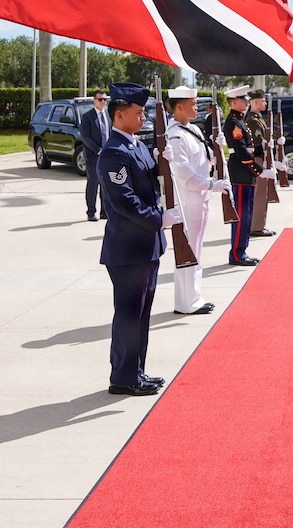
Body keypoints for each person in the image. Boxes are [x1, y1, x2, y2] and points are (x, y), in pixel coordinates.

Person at [97, 82, 182, 396]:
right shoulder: (113, 153)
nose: (144, 116)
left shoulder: (138, 146)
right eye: (138, 112)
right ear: (120, 115)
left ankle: (136, 371)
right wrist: (159, 220)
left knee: (141, 314)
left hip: (147, 246)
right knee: (129, 315)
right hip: (129, 249)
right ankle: (123, 377)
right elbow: (124, 202)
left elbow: (150, 185)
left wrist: (164, 160)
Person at [166, 86, 233, 315]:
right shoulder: (175, 135)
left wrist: (217, 147)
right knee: (189, 251)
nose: (196, 107)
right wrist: (212, 185)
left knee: (196, 250)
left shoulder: (191, 129)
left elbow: (205, 161)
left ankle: (193, 297)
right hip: (189, 201)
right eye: (192, 104)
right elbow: (185, 176)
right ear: (179, 107)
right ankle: (187, 302)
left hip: (200, 198)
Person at [224, 86, 261, 267]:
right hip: (241, 172)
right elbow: (241, 152)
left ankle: (242, 251)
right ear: (234, 102)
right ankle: (237, 254)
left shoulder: (240, 120)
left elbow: (249, 148)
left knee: (247, 215)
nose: (247, 103)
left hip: (245, 173)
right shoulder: (233, 122)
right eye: (244, 100)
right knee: (241, 216)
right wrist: (259, 170)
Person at [247, 89, 276, 239]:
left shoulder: (258, 118)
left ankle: (259, 225)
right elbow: (255, 142)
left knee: (262, 194)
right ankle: (256, 227)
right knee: (259, 194)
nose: (264, 103)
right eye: (263, 101)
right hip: (258, 157)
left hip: (262, 157)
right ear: (256, 102)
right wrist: (265, 144)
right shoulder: (253, 120)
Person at [80, 89, 110, 221]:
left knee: (106, 185)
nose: (103, 102)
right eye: (100, 99)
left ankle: (105, 212)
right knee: (93, 185)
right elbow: (85, 137)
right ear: (94, 100)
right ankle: (91, 212)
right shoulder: (87, 117)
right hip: (94, 156)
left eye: (104, 99)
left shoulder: (109, 115)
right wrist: (98, 150)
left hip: (107, 156)